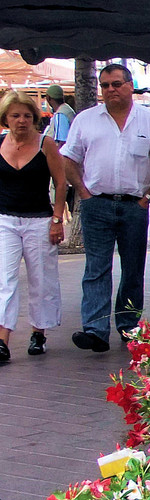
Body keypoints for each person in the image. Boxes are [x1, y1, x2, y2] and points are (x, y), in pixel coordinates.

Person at [61, 64, 150, 352]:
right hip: (96, 204)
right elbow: (68, 158)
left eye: (116, 84)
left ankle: (128, 327)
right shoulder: (86, 120)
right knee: (96, 268)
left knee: (132, 269)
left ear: (130, 86)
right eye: (105, 86)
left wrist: (147, 197)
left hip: (133, 206)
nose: (110, 90)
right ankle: (95, 329)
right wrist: (83, 193)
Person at [0, 90, 67, 362]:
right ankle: (2, 340)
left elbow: (61, 183)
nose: (22, 121)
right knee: (5, 279)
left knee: (41, 279)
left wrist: (57, 219)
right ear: (6, 118)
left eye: (27, 115)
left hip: (39, 219)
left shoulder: (46, 144)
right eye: (16, 115)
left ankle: (39, 332)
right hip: (5, 219)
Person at [43, 85, 76, 216]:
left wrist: (53, 159)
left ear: (48, 98)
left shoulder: (61, 114)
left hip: (61, 159)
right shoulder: (67, 110)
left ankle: (58, 215)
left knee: (57, 187)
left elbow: (61, 140)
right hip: (67, 158)